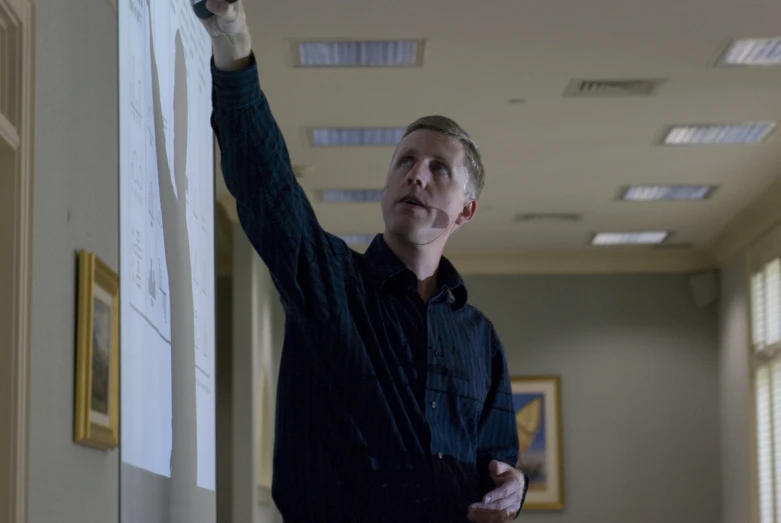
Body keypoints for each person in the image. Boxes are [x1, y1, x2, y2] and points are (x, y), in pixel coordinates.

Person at [198, 1, 528, 521]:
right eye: (405, 161)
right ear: (386, 185)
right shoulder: (329, 283)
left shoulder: (481, 340)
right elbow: (269, 189)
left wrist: (514, 487)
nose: (416, 175)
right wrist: (234, 49)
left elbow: (497, 464)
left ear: (466, 210)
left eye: (439, 168)